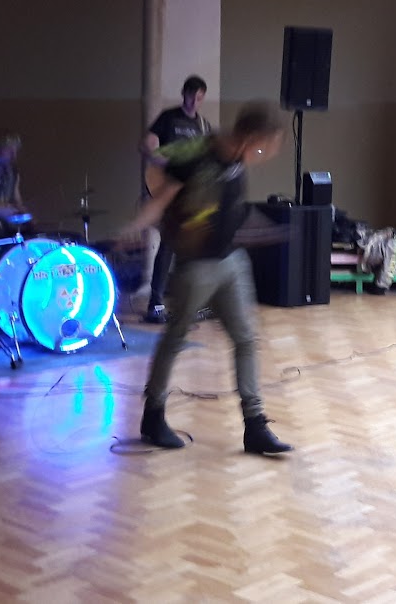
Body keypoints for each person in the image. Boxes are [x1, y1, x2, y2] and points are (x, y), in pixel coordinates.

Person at [118, 102, 292, 455]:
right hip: (196, 267)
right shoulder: (199, 156)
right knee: (175, 338)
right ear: (252, 138)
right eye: (267, 146)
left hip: (231, 262)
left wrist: (265, 229)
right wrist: (133, 227)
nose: (268, 153)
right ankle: (153, 416)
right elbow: (162, 199)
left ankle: (255, 426)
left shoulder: (237, 159)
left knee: (246, 339)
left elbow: (230, 209)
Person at [138, 75, 214, 322]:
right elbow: (146, 145)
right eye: (191, 96)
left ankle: (192, 303)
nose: (194, 102)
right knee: (169, 244)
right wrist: (164, 162)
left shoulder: (203, 126)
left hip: (189, 193)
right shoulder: (168, 118)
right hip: (168, 189)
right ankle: (156, 304)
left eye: (199, 98)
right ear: (184, 94)